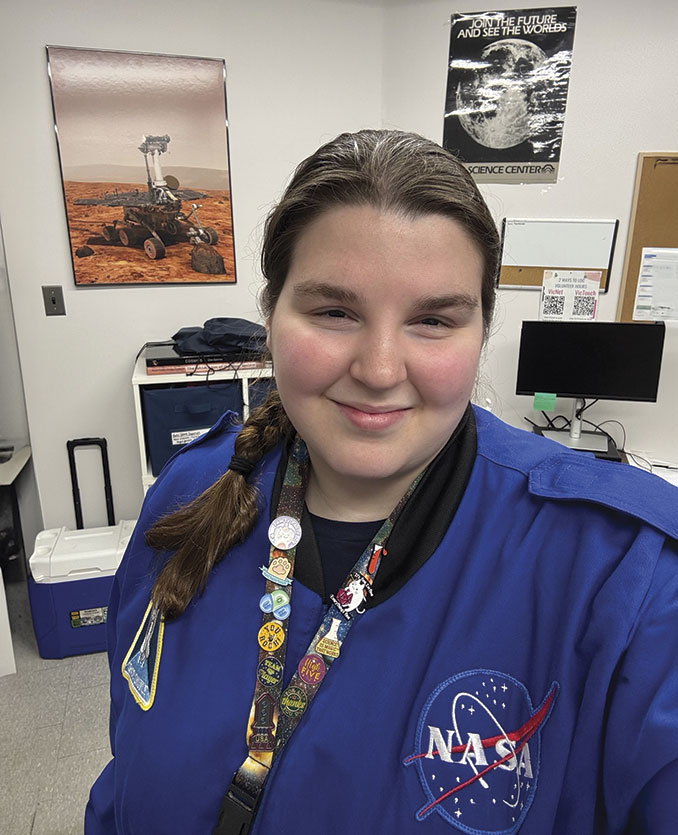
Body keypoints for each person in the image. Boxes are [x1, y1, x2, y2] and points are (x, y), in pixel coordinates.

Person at [86, 130, 678, 835]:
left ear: (481, 333)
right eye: (335, 312)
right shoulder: (191, 492)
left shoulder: (627, 577)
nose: (379, 369)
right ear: (271, 316)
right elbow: (125, 776)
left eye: (432, 319)